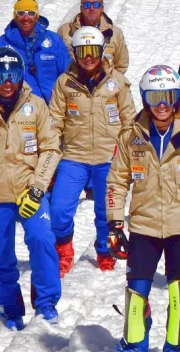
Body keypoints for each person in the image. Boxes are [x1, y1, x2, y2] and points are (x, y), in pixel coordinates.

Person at [107, 66, 180, 352]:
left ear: (177, 98)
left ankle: (174, 346)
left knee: (177, 288)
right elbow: (117, 181)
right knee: (137, 287)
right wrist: (115, 223)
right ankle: (134, 342)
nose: (161, 106)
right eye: (155, 98)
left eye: (168, 98)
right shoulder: (133, 134)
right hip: (145, 224)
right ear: (145, 99)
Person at [0, 48, 62, 329]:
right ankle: (8, 307)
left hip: (28, 191)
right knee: (1, 253)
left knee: (42, 240)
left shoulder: (36, 105)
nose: (7, 82)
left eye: (13, 75)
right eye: (0, 75)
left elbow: (52, 148)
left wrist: (38, 187)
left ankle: (46, 303)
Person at [48, 26, 136, 276]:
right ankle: (63, 249)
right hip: (74, 157)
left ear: (101, 52)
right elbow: (54, 121)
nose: (88, 57)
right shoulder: (65, 82)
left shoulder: (116, 81)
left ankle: (104, 250)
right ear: (75, 53)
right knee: (59, 209)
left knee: (105, 211)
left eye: (93, 51)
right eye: (82, 51)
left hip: (108, 157)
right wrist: (52, 156)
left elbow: (129, 120)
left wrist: (126, 153)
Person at [0, 0, 70, 102]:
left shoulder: (53, 40)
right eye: (21, 13)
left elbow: (69, 74)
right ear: (15, 16)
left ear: (37, 16)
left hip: (54, 108)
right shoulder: (1, 45)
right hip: (19, 111)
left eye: (31, 13)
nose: (26, 18)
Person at [57, 0, 130, 75]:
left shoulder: (115, 33)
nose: (91, 8)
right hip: (72, 86)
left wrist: (110, 83)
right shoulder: (65, 31)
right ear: (81, 8)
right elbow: (56, 62)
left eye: (96, 5)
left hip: (104, 86)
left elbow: (121, 65)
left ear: (102, 8)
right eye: (87, 5)